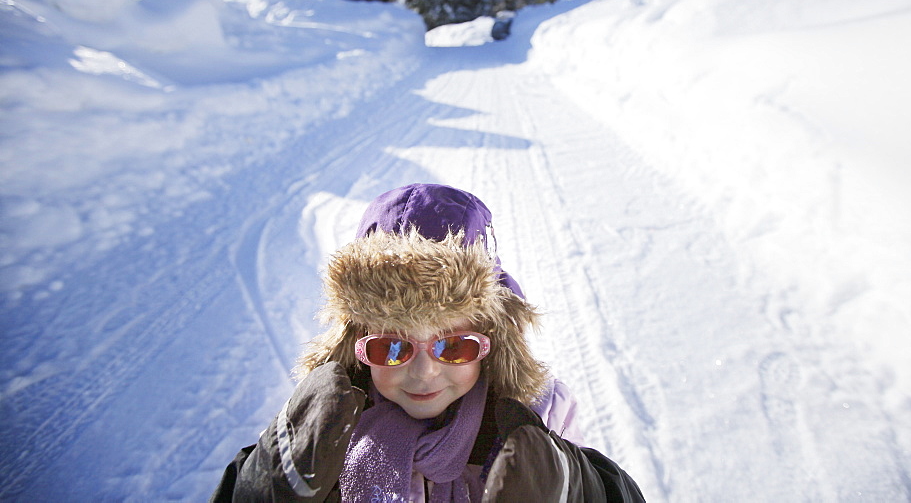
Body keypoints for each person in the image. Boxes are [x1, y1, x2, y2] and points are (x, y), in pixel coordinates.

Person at [211, 183, 644, 502]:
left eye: (454, 346)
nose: (423, 372)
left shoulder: (539, 414)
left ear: (492, 340)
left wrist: (579, 484)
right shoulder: (328, 430)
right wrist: (263, 480)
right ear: (358, 344)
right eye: (390, 348)